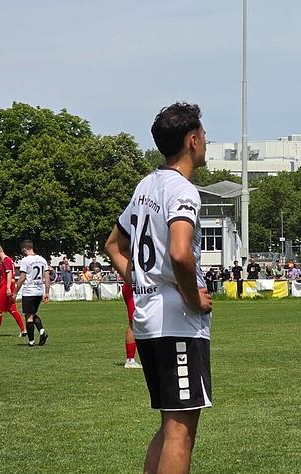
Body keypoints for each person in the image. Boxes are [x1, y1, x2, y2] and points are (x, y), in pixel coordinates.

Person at [104, 102, 213, 473]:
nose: (207, 142)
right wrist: (190, 296)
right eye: (204, 135)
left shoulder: (145, 185)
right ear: (192, 139)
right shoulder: (182, 191)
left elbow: (113, 245)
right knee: (182, 431)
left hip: (149, 321)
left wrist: (141, 281)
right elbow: (181, 254)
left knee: (171, 426)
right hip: (177, 324)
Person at [0, 244, 27, 338]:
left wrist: (7, 288)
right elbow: (5, 276)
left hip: (7, 287)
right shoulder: (8, 260)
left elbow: (9, 274)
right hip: (7, 285)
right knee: (12, 309)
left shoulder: (6, 260)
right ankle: (23, 330)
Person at [14, 240, 51, 347]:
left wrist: (15, 291)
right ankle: (42, 331)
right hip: (39, 291)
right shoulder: (42, 260)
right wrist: (47, 292)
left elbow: (22, 278)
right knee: (32, 314)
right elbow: (47, 277)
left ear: (24, 249)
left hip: (29, 291)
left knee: (29, 317)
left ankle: (31, 341)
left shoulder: (25, 260)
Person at [120, 282, 142, 369]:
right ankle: (130, 360)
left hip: (135, 286)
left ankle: (130, 359)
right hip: (134, 287)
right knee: (133, 322)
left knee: (133, 323)